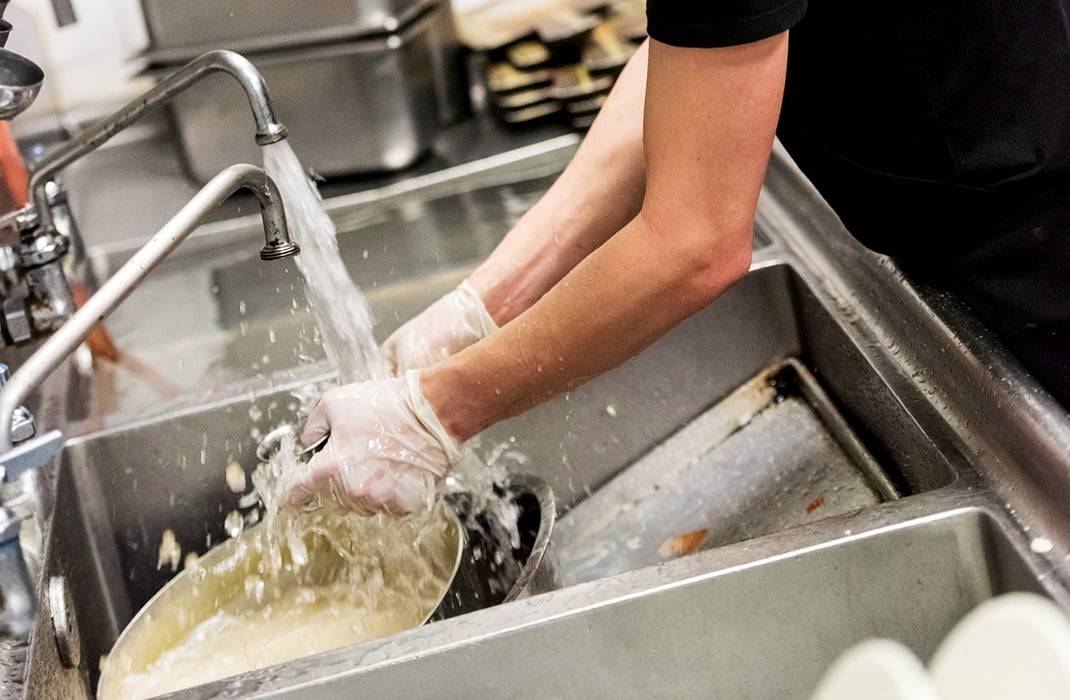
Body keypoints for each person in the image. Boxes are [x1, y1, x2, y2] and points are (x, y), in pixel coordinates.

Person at [292, 1, 1070, 515]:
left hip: (1037, 255)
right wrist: (485, 304)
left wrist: (434, 414)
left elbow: (694, 245)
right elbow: (705, 55)